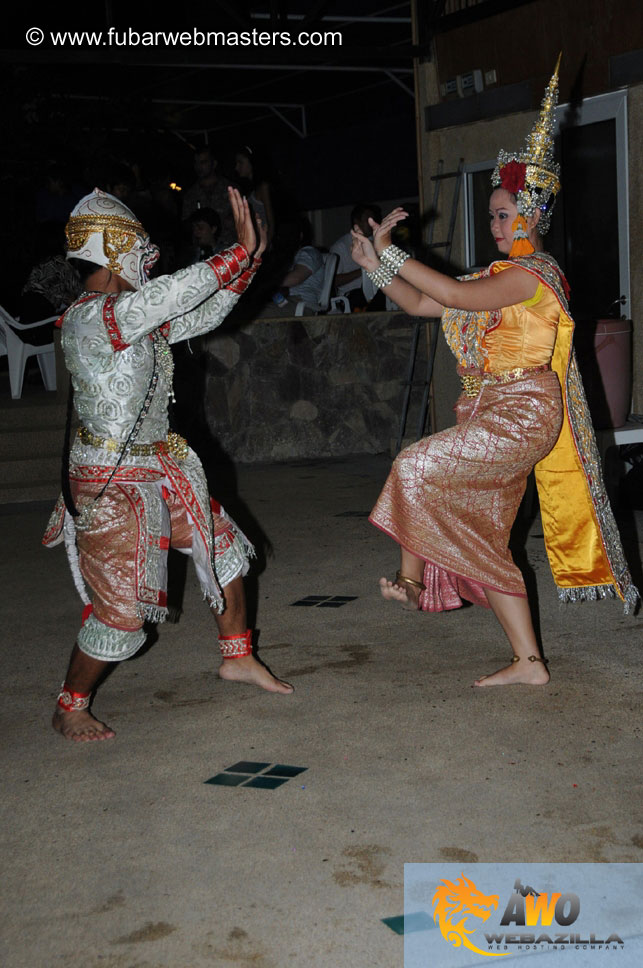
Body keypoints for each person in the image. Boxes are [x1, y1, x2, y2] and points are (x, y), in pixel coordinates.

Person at [350, 58, 638, 688]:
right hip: (492, 409)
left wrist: (396, 252)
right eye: (491, 215)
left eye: (504, 214)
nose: (494, 224)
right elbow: (425, 304)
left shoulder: (536, 276)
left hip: (524, 410)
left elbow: (452, 295)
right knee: (483, 531)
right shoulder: (497, 275)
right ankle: (530, 662)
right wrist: (376, 265)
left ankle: (410, 579)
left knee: (415, 464)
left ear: (531, 214)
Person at [44, 186, 292, 743]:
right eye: (139, 247)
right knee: (121, 616)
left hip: (158, 468)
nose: (149, 256)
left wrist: (248, 264)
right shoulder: (90, 318)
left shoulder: (133, 317)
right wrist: (235, 253)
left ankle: (237, 657)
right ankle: (70, 703)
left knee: (225, 552)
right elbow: (173, 294)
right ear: (113, 249)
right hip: (109, 483)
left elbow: (201, 311)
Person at [182, 147, 238, 247]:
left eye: (203, 162)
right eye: (196, 163)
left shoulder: (231, 189)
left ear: (214, 164)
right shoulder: (191, 195)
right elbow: (186, 224)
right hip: (203, 250)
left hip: (229, 247)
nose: (199, 167)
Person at [330, 203, 382, 310]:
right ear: (356, 222)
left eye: (373, 220)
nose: (372, 224)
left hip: (376, 293)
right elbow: (334, 281)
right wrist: (364, 270)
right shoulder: (341, 246)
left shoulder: (376, 243)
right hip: (351, 297)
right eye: (368, 220)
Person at [235, 146, 275, 249]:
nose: (236, 168)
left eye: (240, 163)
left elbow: (271, 223)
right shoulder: (250, 188)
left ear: (252, 163)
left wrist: (264, 249)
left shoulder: (263, 187)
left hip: (265, 245)